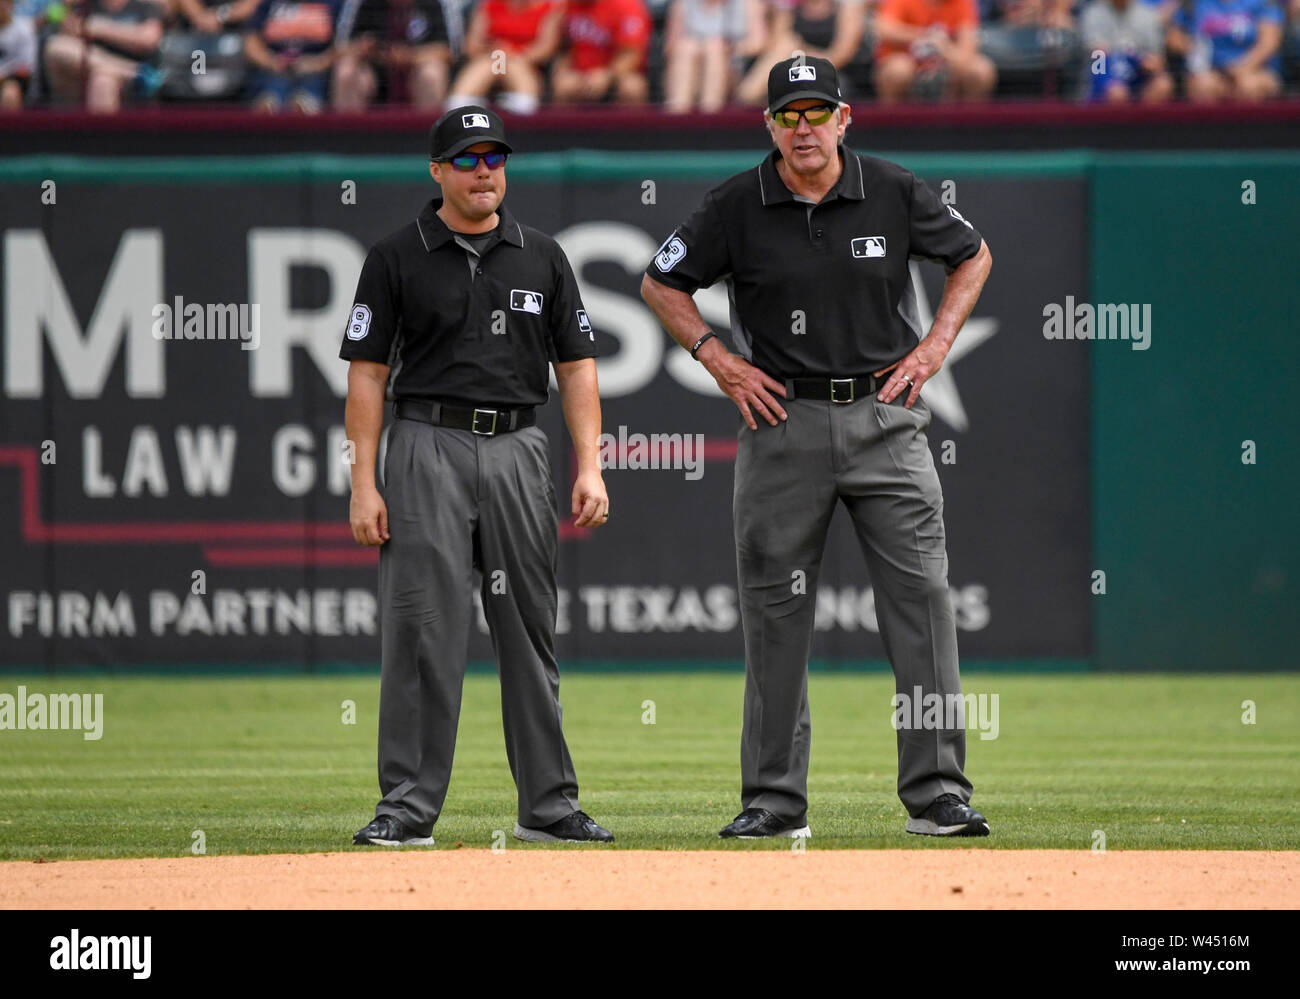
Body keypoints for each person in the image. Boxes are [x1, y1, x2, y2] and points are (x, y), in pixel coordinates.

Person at [641, 56, 993, 839]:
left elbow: (973, 255)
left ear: (844, 118)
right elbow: (661, 283)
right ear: (768, 124)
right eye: (788, 114)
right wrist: (717, 357)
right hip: (781, 422)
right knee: (775, 614)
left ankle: (938, 792)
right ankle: (773, 798)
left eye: (817, 110)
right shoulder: (737, 202)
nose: (804, 127)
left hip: (884, 413)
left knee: (923, 607)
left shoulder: (892, 188)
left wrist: (934, 346)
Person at [344, 106, 615, 847]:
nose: (484, 169)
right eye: (466, 159)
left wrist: (589, 463)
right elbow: (367, 375)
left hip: (520, 444)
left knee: (529, 628)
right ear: (437, 171)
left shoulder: (542, 255)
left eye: (494, 156)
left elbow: (577, 366)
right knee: (424, 630)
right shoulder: (396, 255)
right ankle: (406, 805)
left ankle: (549, 806)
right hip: (425, 440)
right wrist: (363, 480)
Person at [735, 0, 865, 105]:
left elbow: (841, 55)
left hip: (833, 71)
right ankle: (750, 96)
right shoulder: (789, 10)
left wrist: (802, 53)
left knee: (791, 48)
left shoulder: (846, 8)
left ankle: (748, 94)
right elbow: (777, 47)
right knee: (787, 46)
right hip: (792, 66)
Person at [42, 0, 164, 111]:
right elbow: (65, 46)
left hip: (127, 89)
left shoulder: (145, 6)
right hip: (82, 79)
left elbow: (148, 39)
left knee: (102, 80)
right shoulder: (82, 7)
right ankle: (135, 73)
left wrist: (96, 27)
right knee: (55, 46)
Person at [444, 0, 562, 114]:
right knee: (487, 64)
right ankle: (461, 102)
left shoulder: (549, 8)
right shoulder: (489, 5)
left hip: (525, 63)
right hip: (491, 58)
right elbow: (472, 46)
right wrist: (497, 52)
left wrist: (513, 54)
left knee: (515, 66)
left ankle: (524, 102)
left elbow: (546, 47)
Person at [333, 0, 453, 110]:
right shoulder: (363, 3)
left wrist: (410, 57)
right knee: (346, 70)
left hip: (415, 71)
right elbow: (338, 50)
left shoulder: (434, 3)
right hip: (375, 73)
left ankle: (430, 131)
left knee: (431, 73)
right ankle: (351, 132)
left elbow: (449, 51)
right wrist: (362, 47)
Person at [874, 0, 997, 101]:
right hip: (909, 61)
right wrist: (925, 36)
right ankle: (893, 127)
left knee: (980, 70)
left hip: (948, 64)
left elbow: (966, 53)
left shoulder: (962, 3)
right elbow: (884, 30)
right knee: (898, 70)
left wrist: (944, 47)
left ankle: (970, 126)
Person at [1168, 0, 1283, 102]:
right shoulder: (1193, 3)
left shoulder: (1263, 3)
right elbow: (1174, 39)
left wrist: (1240, 69)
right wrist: (1194, 48)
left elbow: (1269, 43)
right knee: (1204, 85)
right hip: (1209, 70)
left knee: (1249, 85)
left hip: (1255, 69)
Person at [244, 0, 342, 112]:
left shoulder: (333, 4)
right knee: (272, 93)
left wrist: (317, 63)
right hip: (273, 70)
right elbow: (251, 42)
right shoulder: (268, 3)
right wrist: (271, 62)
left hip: (316, 72)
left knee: (307, 97)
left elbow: (342, 45)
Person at [550, 0, 651, 103]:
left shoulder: (626, 5)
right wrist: (563, 70)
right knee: (565, 85)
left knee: (632, 87)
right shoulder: (566, 6)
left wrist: (607, 75)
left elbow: (631, 55)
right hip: (579, 74)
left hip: (617, 74)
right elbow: (561, 48)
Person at [662, 0, 753, 112]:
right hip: (691, 69)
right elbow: (671, 47)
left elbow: (758, 42)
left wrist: (728, 47)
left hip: (730, 72)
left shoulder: (745, 3)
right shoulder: (683, 4)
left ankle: (709, 114)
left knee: (714, 49)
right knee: (687, 48)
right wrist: (701, 49)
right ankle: (678, 111)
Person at [1079, 0, 1172, 102]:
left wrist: (1147, 62)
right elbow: (1097, 56)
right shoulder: (1094, 13)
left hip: (1138, 71)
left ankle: (1143, 117)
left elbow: (1158, 58)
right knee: (1117, 91)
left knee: (1163, 84)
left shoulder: (1148, 15)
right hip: (1105, 71)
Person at [0, 0, 38, 109]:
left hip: (14, 81)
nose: (1, 6)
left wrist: (2, 76)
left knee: (10, 93)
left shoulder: (24, 29)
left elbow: (26, 69)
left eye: (5, 3)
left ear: (12, 5)